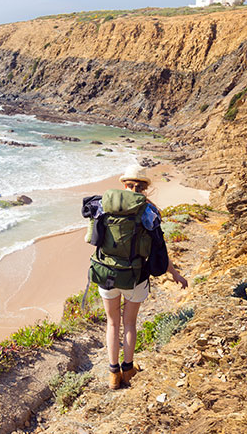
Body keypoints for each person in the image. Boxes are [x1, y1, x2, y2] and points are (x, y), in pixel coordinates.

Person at [100, 164, 188, 390]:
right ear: (144, 188)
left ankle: (112, 374)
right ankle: (128, 370)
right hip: (135, 275)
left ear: (124, 185)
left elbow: (92, 237)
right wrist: (175, 274)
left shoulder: (105, 205)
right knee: (129, 323)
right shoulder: (149, 211)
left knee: (112, 322)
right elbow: (159, 249)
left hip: (107, 273)